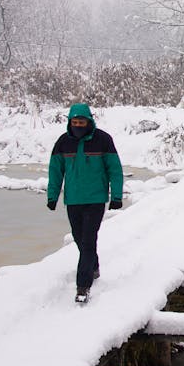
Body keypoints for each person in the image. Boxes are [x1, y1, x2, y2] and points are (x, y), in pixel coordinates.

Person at [47, 103, 124, 304]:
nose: (78, 125)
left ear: (89, 121)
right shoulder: (63, 142)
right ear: (70, 122)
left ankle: (83, 286)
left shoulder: (103, 140)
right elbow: (56, 171)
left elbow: (114, 169)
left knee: (88, 240)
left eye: (82, 122)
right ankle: (94, 265)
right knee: (79, 238)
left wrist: (116, 196)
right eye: (75, 122)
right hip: (73, 199)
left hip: (96, 199)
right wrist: (52, 196)